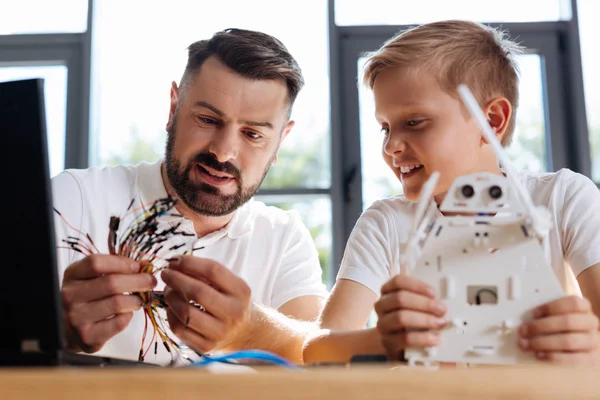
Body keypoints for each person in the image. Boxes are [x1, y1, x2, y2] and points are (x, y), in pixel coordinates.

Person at [303, 20, 600, 365]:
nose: (391, 145)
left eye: (414, 122)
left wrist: (587, 342)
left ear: (492, 121)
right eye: (385, 127)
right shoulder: (385, 224)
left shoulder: (563, 198)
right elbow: (317, 350)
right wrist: (383, 340)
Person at [52, 28, 328, 365]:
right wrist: (50, 328)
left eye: (252, 134)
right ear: (173, 108)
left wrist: (251, 331)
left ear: (280, 142)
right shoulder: (72, 200)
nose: (223, 151)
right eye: (208, 119)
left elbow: (319, 367)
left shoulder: (284, 238)